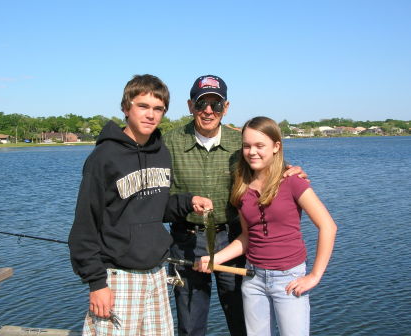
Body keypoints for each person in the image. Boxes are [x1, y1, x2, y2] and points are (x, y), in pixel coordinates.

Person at [68, 74, 213, 336]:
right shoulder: (103, 158)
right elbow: (84, 226)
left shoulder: (161, 152)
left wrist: (187, 202)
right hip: (117, 277)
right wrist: (96, 283)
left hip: (156, 274)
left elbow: (155, 207)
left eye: (158, 109)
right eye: (143, 106)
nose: (150, 115)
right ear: (126, 108)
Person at [163, 75, 307, 336]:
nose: (208, 111)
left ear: (225, 108)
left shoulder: (240, 143)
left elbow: (268, 168)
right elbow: (158, 199)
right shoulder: (168, 143)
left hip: (233, 240)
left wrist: (290, 171)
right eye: (201, 103)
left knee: (243, 320)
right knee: (190, 324)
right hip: (185, 242)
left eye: (215, 105)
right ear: (190, 106)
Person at [196, 116, 337, 336]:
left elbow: (328, 226)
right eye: (247, 146)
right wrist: (215, 259)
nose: (252, 152)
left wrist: (315, 275)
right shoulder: (242, 188)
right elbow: (246, 237)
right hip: (253, 279)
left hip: (289, 280)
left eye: (260, 145)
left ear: (276, 147)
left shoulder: (292, 181)